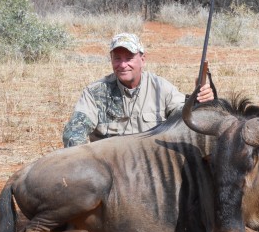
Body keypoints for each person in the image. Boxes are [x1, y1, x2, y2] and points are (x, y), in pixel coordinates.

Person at [63, 33, 214, 147]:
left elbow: (184, 118)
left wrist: (200, 101)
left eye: (129, 58)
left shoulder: (161, 87)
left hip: (150, 169)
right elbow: (73, 133)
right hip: (110, 169)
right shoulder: (95, 92)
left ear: (142, 60)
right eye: (117, 58)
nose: (122, 65)